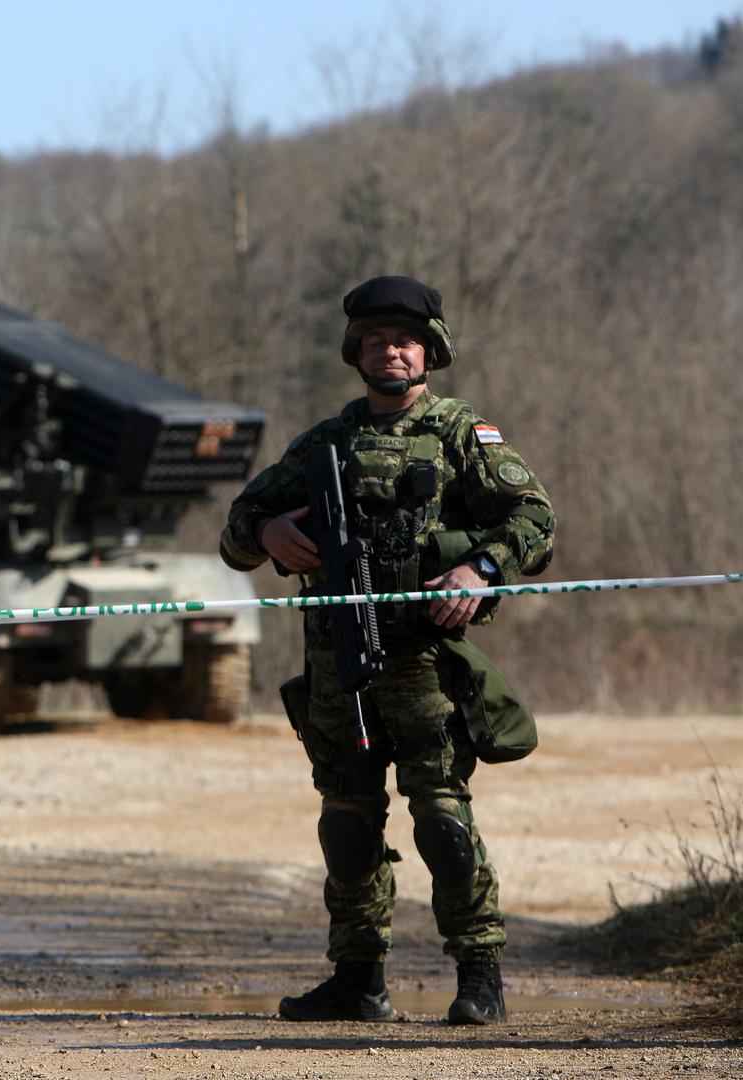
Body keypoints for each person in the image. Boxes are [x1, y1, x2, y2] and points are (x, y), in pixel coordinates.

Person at [219, 276, 555, 1026]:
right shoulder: (324, 444)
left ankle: (479, 973)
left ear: (428, 351)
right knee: (345, 822)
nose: (390, 351)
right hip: (337, 662)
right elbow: (238, 526)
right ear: (355, 353)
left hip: (423, 661)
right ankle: (356, 979)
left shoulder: (461, 433)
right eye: (375, 341)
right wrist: (269, 535)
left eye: (403, 340)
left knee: (440, 817)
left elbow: (535, 517)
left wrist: (481, 568)